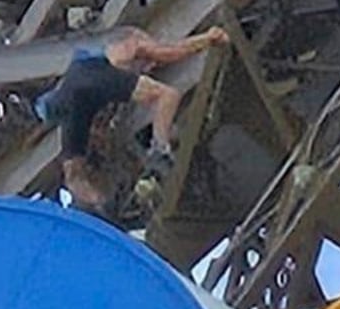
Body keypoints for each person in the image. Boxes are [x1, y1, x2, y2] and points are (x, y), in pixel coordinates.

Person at [33, 25, 229, 209]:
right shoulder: (131, 40)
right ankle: (159, 150)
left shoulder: (79, 77)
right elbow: (169, 53)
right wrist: (208, 37)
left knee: (74, 171)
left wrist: (99, 201)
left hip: (72, 99)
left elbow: (73, 174)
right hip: (94, 79)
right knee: (167, 95)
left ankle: (97, 203)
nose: (150, 66)